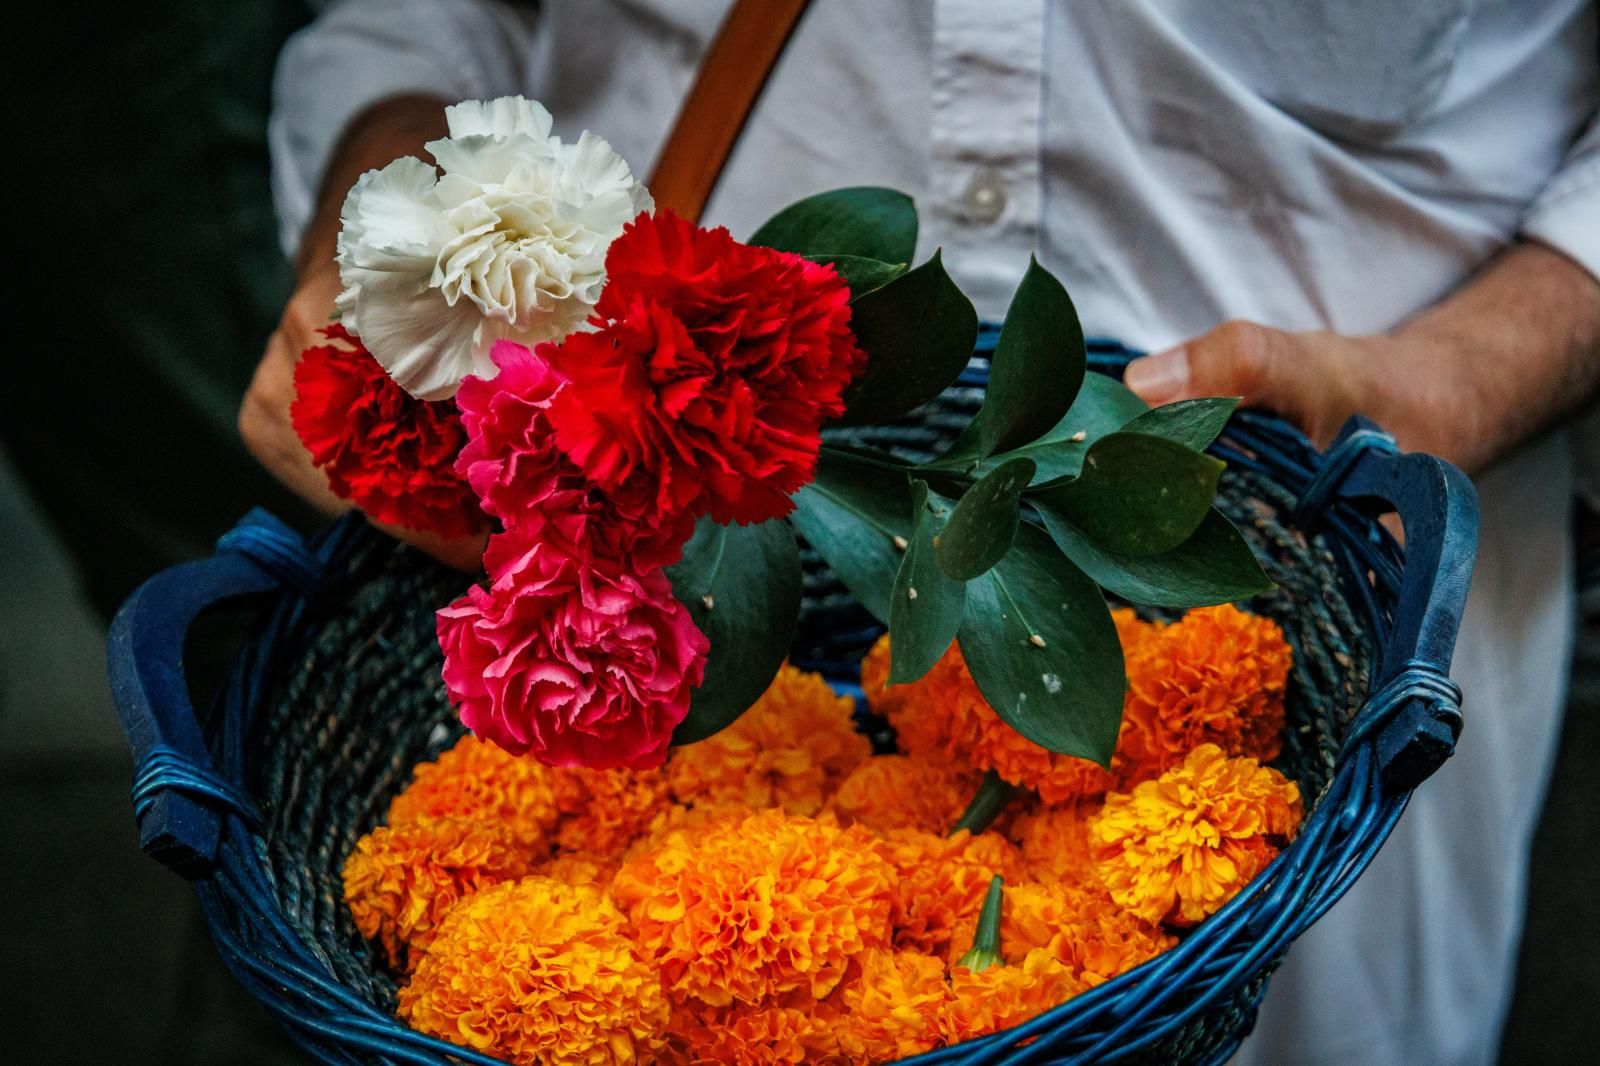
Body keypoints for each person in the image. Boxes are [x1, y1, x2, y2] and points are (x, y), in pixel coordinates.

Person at [243, 2, 1600, 1062]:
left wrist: (1468, 369)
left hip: (1334, 502)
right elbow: (411, 17)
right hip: (669, 495)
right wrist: (395, 249)